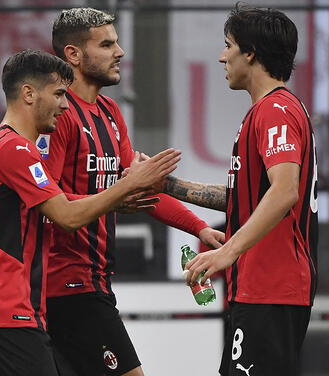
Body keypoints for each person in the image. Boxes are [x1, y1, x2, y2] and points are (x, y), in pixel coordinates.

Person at [0, 49, 181, 376]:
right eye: (59, 94)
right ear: (29, 94)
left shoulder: (9, 145)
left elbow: (63, 208)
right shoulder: (15, 148)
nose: (65, 106)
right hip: (8, 309)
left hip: (10, 307)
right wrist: (129, 183)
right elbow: (66, 216)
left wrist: (118, 199)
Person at [44, 8, 225, 376]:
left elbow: (142, 191)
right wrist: (120, 193)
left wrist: (199, 228)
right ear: (73, 55)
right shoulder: (57, 115)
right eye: (107, 44)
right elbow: (50, 205)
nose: (120, 52)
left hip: (94, 281)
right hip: (65, 285)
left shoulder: (110, 113)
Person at [154, 5, 319, 375]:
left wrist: (227, 251)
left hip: (272, 289)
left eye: (228, 45)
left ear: (251, 53)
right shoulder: (265, 111)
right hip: (258, 290)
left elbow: (284, 191)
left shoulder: (276, 110)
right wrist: (167, 184)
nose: (221, 55)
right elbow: (248, 200)